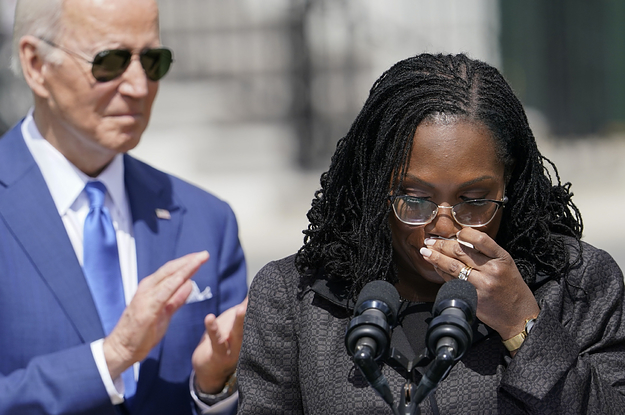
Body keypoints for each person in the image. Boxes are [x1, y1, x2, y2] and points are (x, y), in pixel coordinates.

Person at [237, 53, 625, 414]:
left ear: (511, 187)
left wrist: (522, 325)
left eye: (473, 198)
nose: (442, 225)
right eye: (414, 196)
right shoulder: (293, 296)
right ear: (374, 189)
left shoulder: (578, 284)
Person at [0, 0, 247, 414]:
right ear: (36, 64)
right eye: (109, 61)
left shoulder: (206, 220)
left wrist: (214, 387)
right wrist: (109, 358)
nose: (138, 85)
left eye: (153, 60)